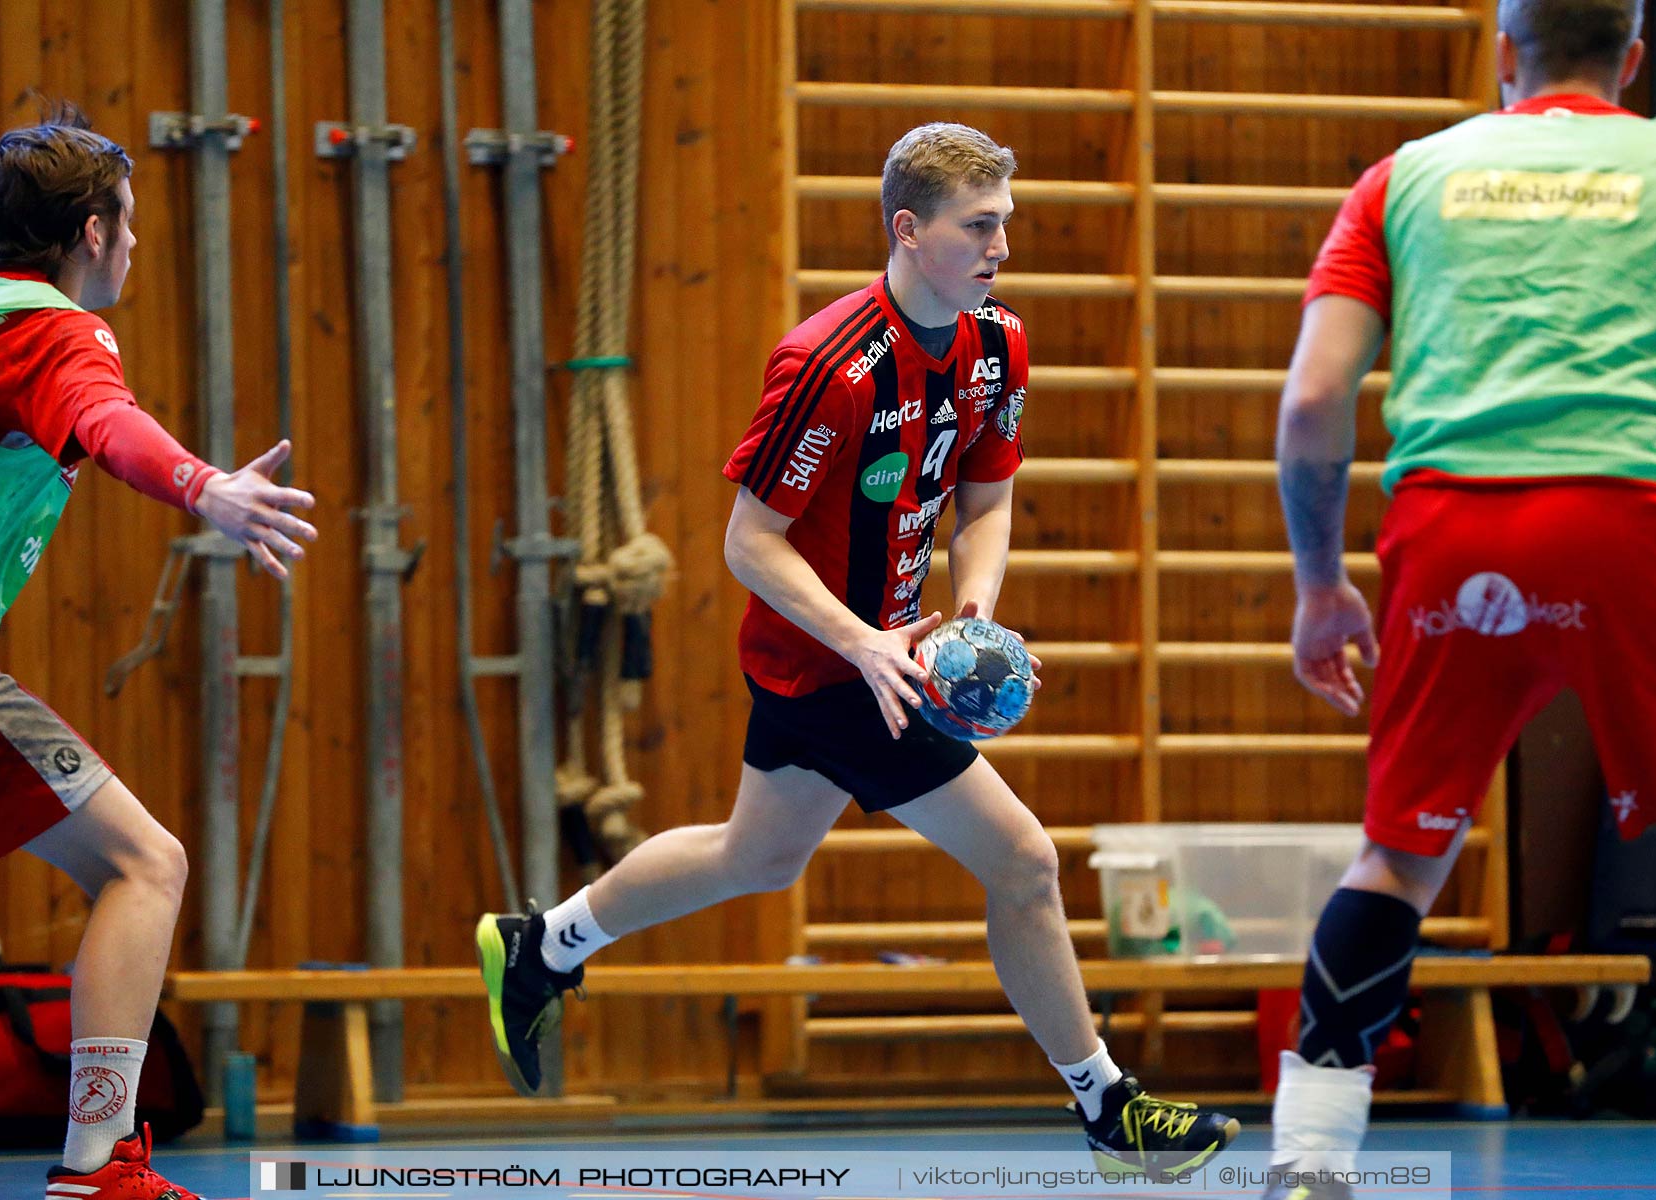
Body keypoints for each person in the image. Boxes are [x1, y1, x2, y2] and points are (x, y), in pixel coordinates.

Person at [478, 121, 1238, 1178]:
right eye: (979, 227)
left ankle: (544, 944)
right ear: (909, 230)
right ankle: (1108, 1109)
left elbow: (988, 496)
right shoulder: (828, 365)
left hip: (886, 656)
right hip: (834, 665)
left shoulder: (995, 341)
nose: (1000, 248)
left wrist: (973, 611)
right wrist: (867, 644)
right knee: (1024, 863)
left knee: (758, 855)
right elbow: (750, 542)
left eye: (1005, 225)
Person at [1269, 1, 1656, 1195]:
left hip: (1450, 522)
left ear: (1502, 56)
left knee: (1399, 855)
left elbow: (1315, 402)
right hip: (1630, 519)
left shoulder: (1403, 179)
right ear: (1633, 63)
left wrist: (1323, 585)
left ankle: (1310, 1158)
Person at [0, 108, 317, 1200]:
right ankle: (96, 1168)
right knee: (143, 865)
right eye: (133, 223)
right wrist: (209, 489)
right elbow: (106, 423)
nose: (137, 246)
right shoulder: (53, 330)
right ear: (96, 231)